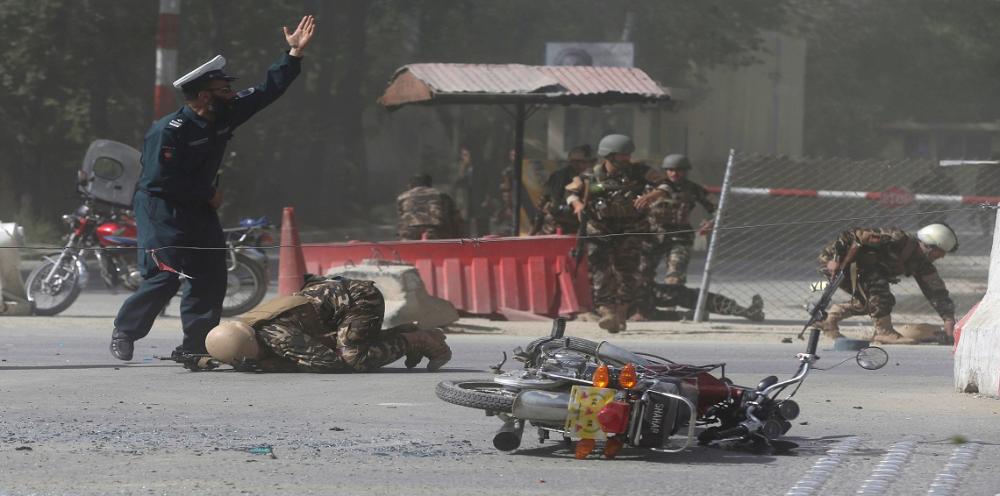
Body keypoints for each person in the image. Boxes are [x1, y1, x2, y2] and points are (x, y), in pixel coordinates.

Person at [109, 16, 316, 361]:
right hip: (161, 208)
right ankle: (126, 331)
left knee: (210, 273)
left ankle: (194, 347)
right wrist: (208, 194)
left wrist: (292, 54)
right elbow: (160, 179)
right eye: (224, 90)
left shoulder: (224, 113)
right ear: (205, 95)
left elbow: (266, 91)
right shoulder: (169, 131)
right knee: (166, 275)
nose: (232, 94)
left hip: (198, 208)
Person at [204, 275, 452, 372]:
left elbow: (327, 362)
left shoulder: (275, 335)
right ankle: (405, 333)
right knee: (345, 344)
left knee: (353, 359)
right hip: (332, 302)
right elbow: (229, 351)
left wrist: (272, 365)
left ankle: (418, 340)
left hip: (356, 300)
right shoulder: (246, 327)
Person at [565, 134, 670, 333]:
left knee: (627, 272)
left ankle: (622, 311)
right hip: (600, 230)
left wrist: (650, 196)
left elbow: (665, 185)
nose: (626, 159)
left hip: (630, 230)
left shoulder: (639, 172)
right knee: (600, 270)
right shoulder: (591, 176)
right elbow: (571, 192)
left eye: (628, 155)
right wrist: (578, 205)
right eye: (622, 156)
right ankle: (606, 311)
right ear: (608, 156)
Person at [816, 223, 958, 344]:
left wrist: (948, 320)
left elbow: (936, 291)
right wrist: (835, 258)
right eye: (941, 252)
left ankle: (829, 320)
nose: (942, 256)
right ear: (929, 246)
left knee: (872, 303)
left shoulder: (922, 264)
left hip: (861, 271)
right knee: (879, 287)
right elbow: (849, 235)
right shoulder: (894, 238)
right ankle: (884, 332)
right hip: (837, 263)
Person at [530, 144, 595, 235]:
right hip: (560, 228)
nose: (587, 165)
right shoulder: (560, 177)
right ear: (572, 162)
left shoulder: (595, 177)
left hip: (588, 228)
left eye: (591, 162)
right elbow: (554, 207)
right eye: (581, 162)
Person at [644, 284, 764, 322]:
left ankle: (746, 312)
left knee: (681, 293)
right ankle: (686, 316)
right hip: (630, 295)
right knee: (643, 312)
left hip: (641, 287)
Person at [397, 173, 464, 240]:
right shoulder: (441, 195)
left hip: (409, 230)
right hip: (435, 230)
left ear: (411, 185)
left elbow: (401, 218)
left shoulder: (402, 197)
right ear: (430, 184)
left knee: (407, 247)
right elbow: (456, 219)